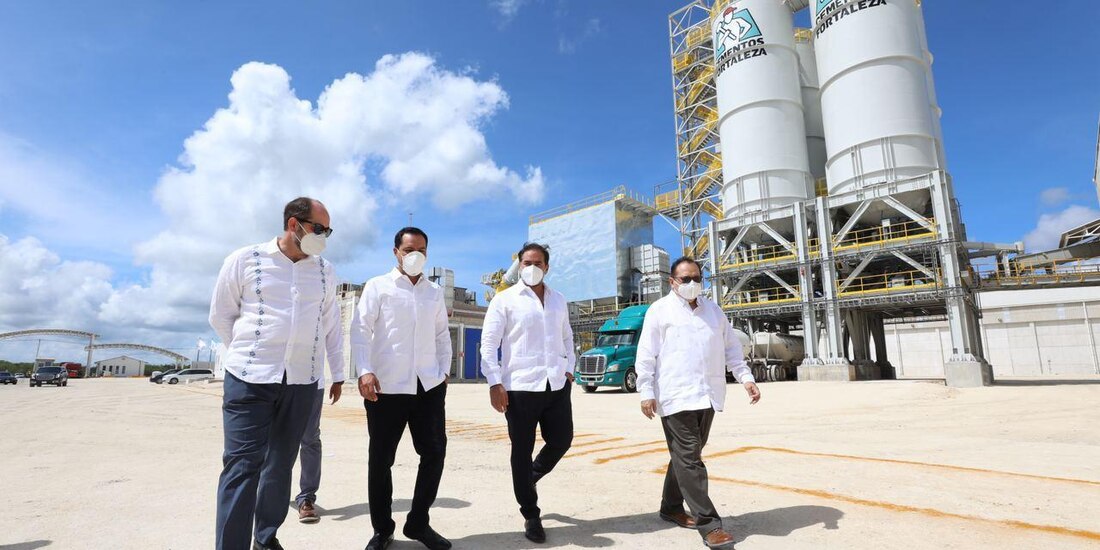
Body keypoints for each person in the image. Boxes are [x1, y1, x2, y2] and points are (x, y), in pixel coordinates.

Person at [210, 197, 345, 550]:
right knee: (241, 467)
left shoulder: (325, 271)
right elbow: (221, 316)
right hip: (248, 379)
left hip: (302, 382)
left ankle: (265, 539)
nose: (324, 236)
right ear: (293, 224)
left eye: (328, 231)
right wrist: (251, 353)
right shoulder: (244, 259)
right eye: (320, 228)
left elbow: (331, 326)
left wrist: (337, 373)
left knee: (280, 465)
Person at [635, 257, 761, 549]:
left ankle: (670, 507)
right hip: (675, 394)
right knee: (690, 459)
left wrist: (746, 378)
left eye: (696, 278)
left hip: (708, 394)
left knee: (684, 456)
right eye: (685, 279)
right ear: (672, 282)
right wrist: (645, 391)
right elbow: (645, 354)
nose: (692, 284)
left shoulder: (714, 311)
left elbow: (732, 349)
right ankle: (710, 525)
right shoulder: (659, 311)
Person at [352, 227, 453, 550]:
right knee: (381, 460)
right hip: (386, 387)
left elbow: (441, 335)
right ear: (395, 251)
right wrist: (364, 371)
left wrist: (444, 371)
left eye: (422, 250)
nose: (415, 256)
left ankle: (418, 523)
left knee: (434, 453)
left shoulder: (433, 292)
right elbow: (360, 331)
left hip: (428, 385)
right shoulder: (377, 287)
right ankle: (383, 530)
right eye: (409, 249)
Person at [480, 242, 575, 544]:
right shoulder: (505, 300)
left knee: (562, 439)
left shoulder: (559, 300)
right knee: (520, 449)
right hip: (519, 388)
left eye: (537, 262)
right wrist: (495, 382)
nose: (531, 267)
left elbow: (567, 336)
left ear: (547, 266)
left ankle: (529, 478)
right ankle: (531, 514)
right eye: (525, 262)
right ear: (519, 265)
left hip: (556, 384)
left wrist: (569, 368)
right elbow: (488, 343)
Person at [294, 376, 328, 524]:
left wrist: (338, 377)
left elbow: (333, 351)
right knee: (275, 439)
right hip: (276, 380)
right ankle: (270, 493)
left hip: (313, 381)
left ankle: (306, 497)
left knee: (310, 439)